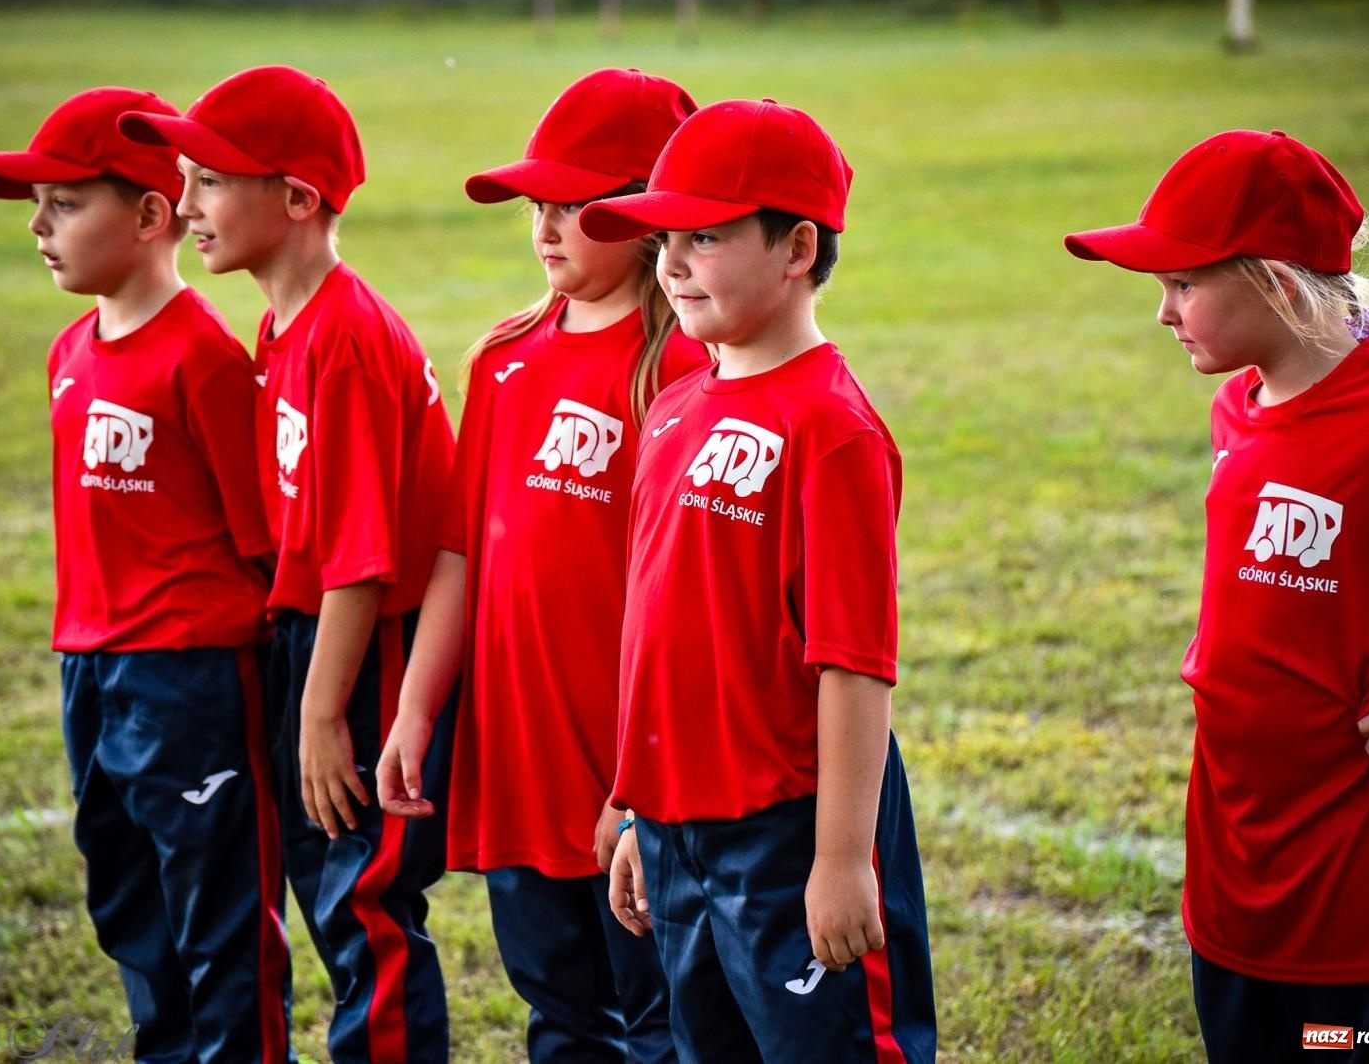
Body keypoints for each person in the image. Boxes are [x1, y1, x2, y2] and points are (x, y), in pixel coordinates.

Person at [1065, 128, 1369, 1062]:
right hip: (1235, 867)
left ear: (1277, 281)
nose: (1164, 313)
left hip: (1360, 890)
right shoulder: (1236, 405)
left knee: (1346, 1051)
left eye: (1184, 284)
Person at [575, 97, 939, 1063]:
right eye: (663, 241)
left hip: (788, 832)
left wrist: (839, 860)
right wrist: (634, 802)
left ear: (796, 247)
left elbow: (855, 664)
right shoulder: (676, 406)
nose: (673, 264)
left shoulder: (834, 431)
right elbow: (655, 624)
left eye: (705, 237)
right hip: (679, 830)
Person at [119, 66, 457, 1063]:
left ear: (298, 198)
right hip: (315, 641)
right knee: (330, 893)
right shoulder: (282, 326)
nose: (186, 206)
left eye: (212, 181)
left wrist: (319, 717)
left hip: (363, 648)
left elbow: (359, 559)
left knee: (367, 902)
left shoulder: (344, 339)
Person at [374, 67, 705, 1064]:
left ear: (652, 217)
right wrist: (418, 711)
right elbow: (460, 556)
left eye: (580, 206)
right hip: (519, 763)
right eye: (539, 205)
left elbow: (688, 599)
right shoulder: (506, 357)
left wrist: (646, 781)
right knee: (559, 1016)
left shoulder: (683, 368)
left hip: (628, 769)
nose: (548, 227)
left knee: (659, 1020)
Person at [0, 86, 291, 1062]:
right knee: (125, 897)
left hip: (191, 675)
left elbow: (261, 544)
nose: (38, 227)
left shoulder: (205, 359)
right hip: (90, 667)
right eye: (37, 205)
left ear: (151, 215)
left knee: (218, 918)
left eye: (63, 204)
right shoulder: (69, 351)